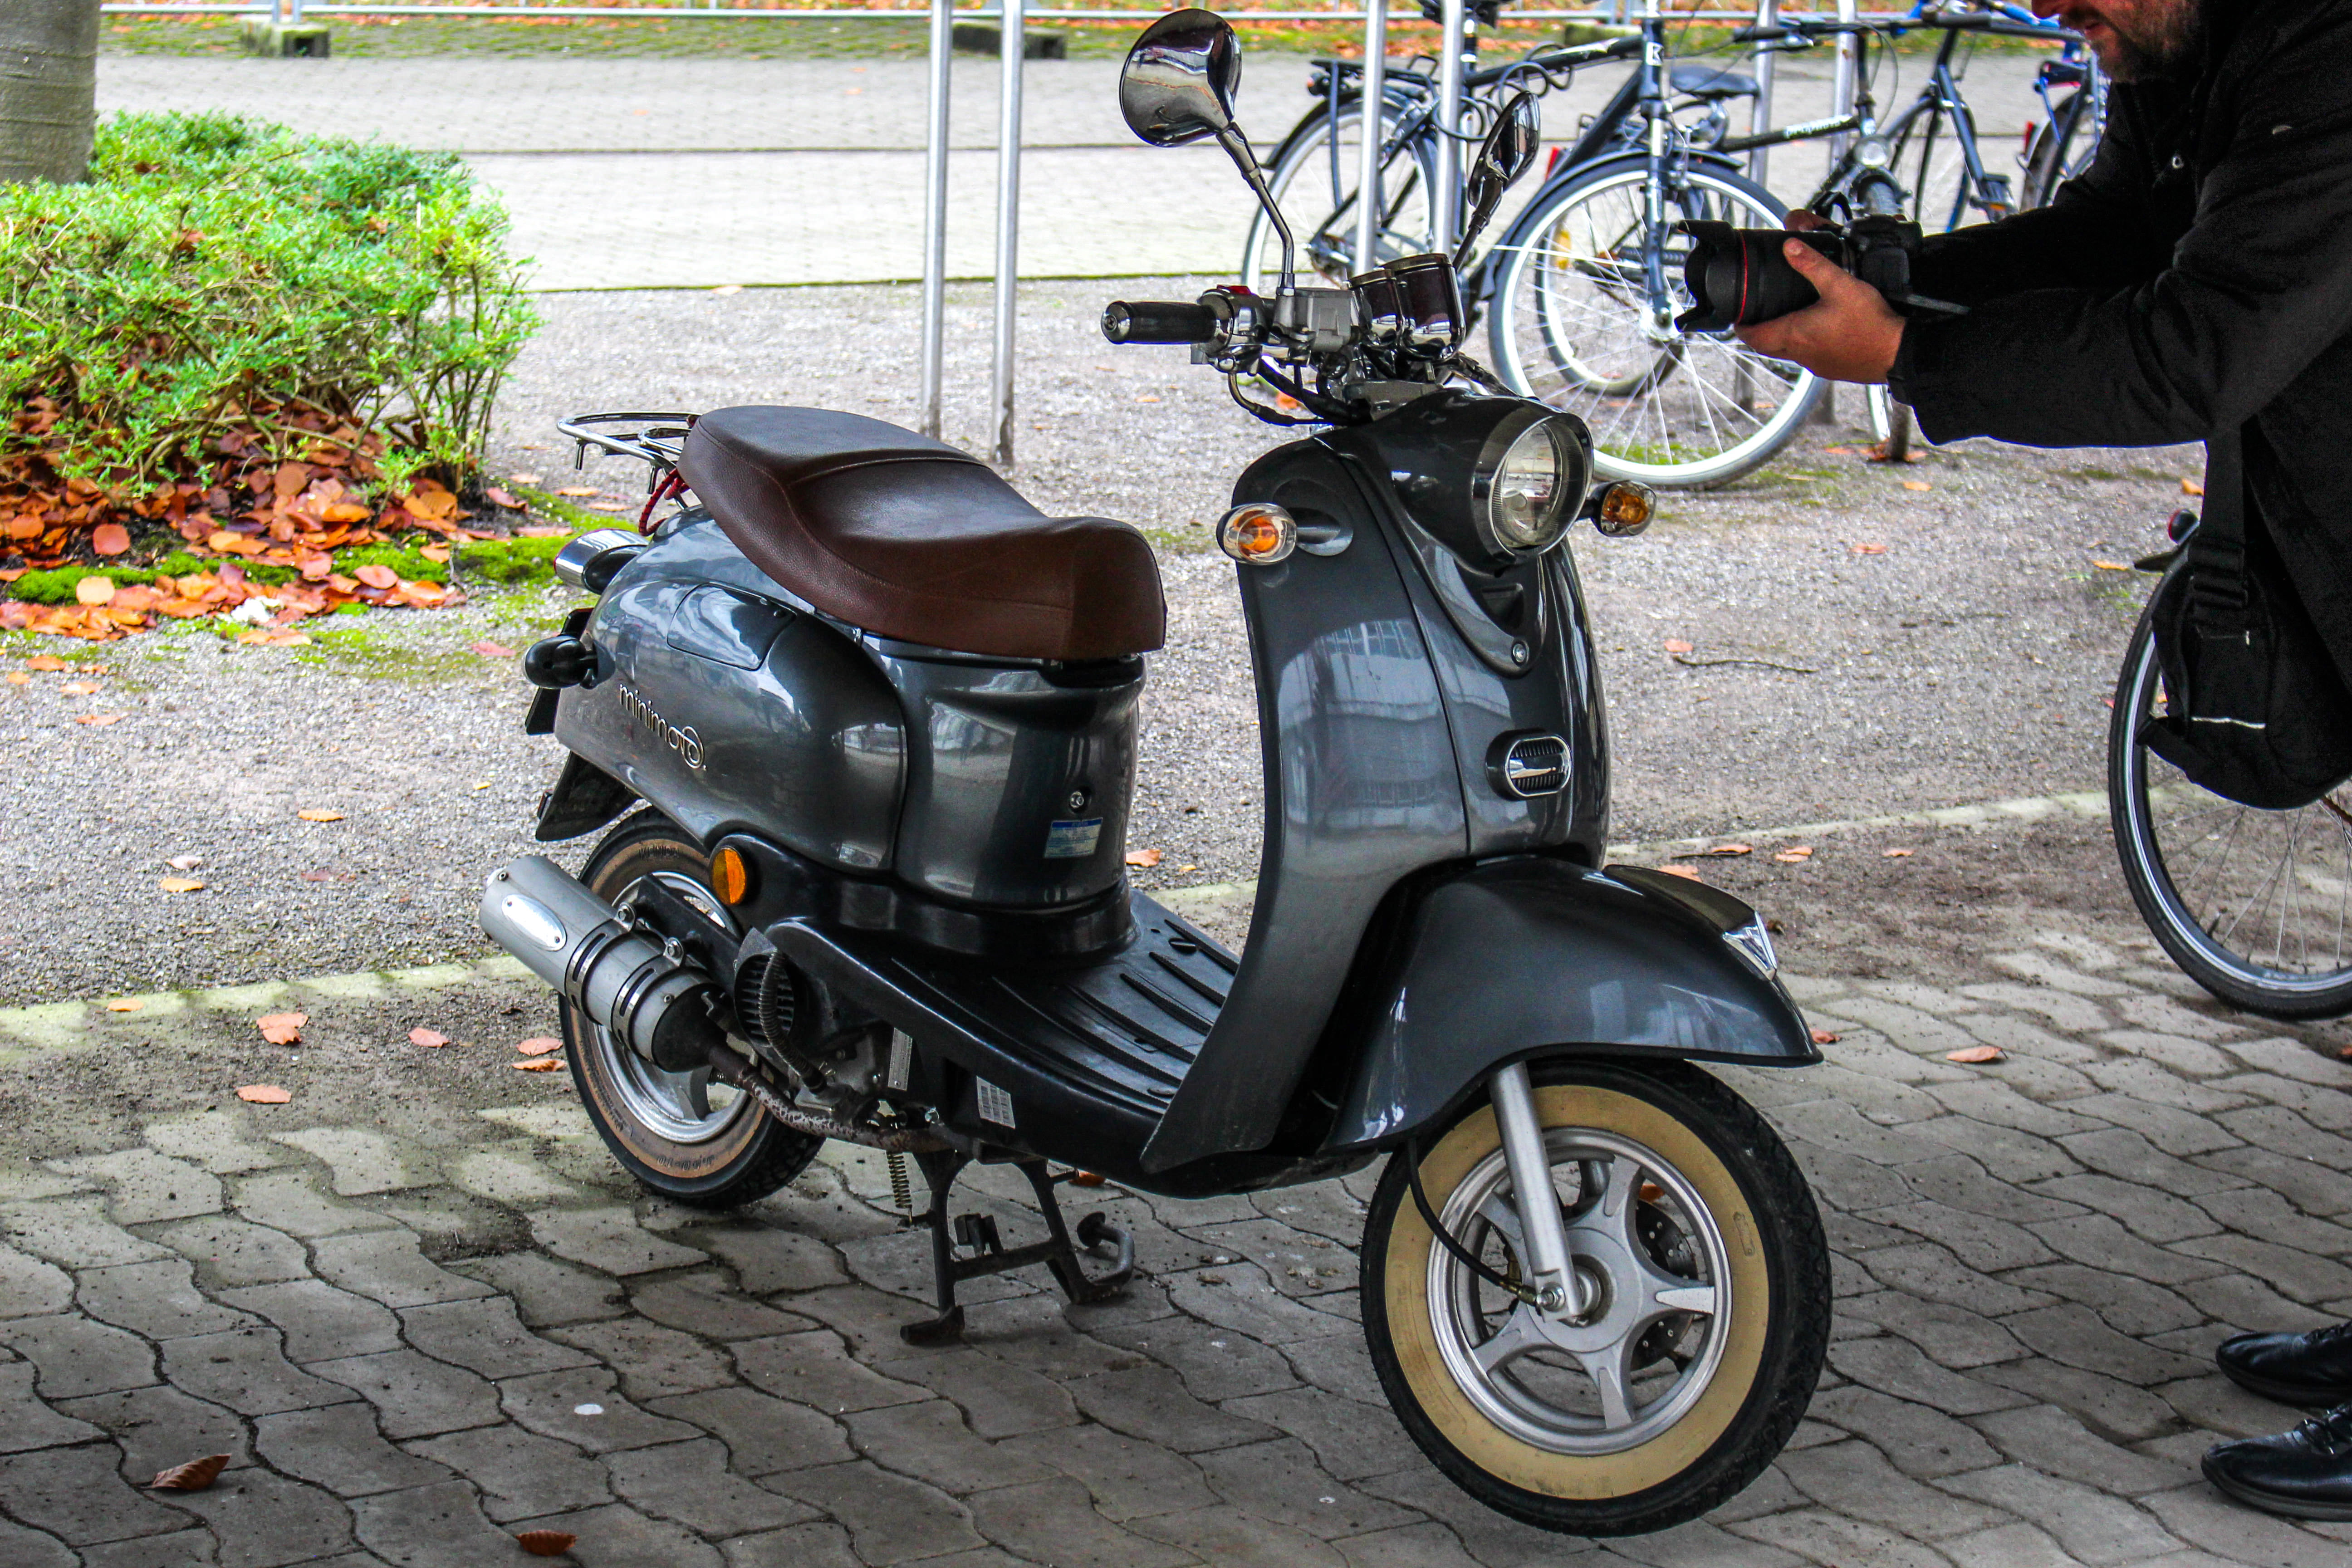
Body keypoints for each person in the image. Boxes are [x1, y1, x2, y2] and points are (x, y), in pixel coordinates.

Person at [1735, 0, 2352, 1523]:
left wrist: (1914, 360)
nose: (2053, 10)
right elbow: (2118, 236)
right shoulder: (2206, 48)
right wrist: (1897, 281)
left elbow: (2196, 346)